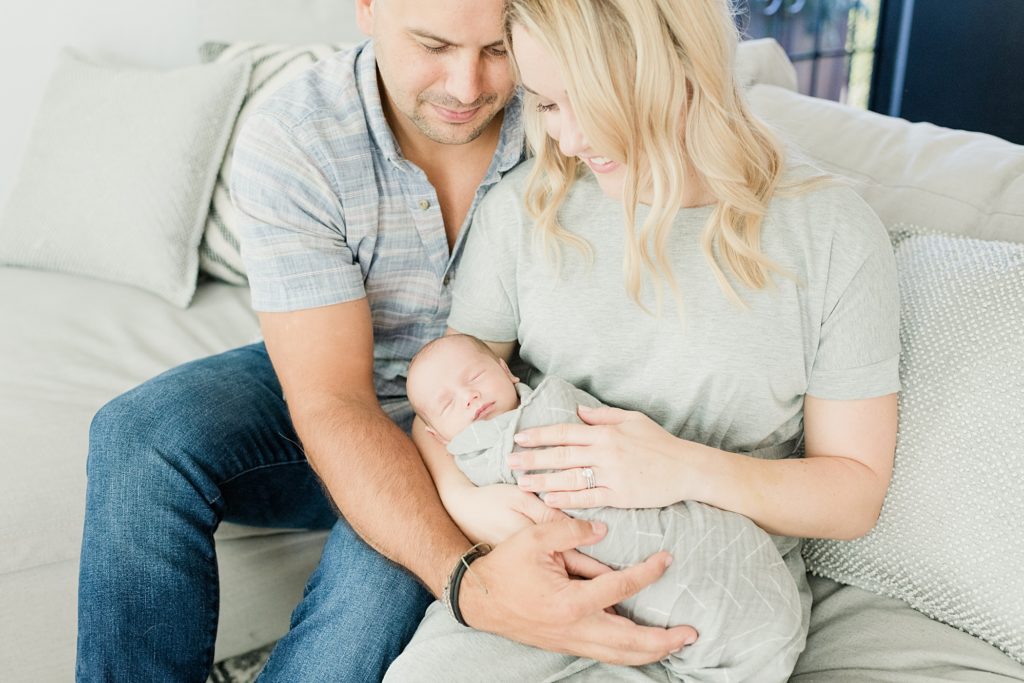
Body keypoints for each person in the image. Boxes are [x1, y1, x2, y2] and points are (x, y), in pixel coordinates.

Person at [75, 0, 696, 680]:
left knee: (374, 576)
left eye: (497, 49)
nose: (468, 87)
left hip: (494, 425)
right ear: (367, 8)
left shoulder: (559, 109)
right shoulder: (297, 136)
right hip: (351, 381)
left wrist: (453, 505)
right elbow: (332, 401)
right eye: (433, 45)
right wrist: (466, 579)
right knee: (139, 433)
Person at [385, 0, 900, 680]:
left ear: (674, 68)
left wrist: (683, 466)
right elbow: (444, 405)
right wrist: (466, 501)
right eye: (544, 105)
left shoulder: (830, 233)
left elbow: (853, 493)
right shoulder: (526, 209)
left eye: (583, 101)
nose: (564, 140)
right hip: (540, 585)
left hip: (714, 603)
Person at [406, 333, 805, 681]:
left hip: (696, 518)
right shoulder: (466, 460)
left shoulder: (555, 404)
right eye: (447, 404)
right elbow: (423, 435)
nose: (469, 396)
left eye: (474, 378)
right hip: (550, 579)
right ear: (438, 436)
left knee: (718, 576)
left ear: (506, 370)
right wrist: (464, 500)